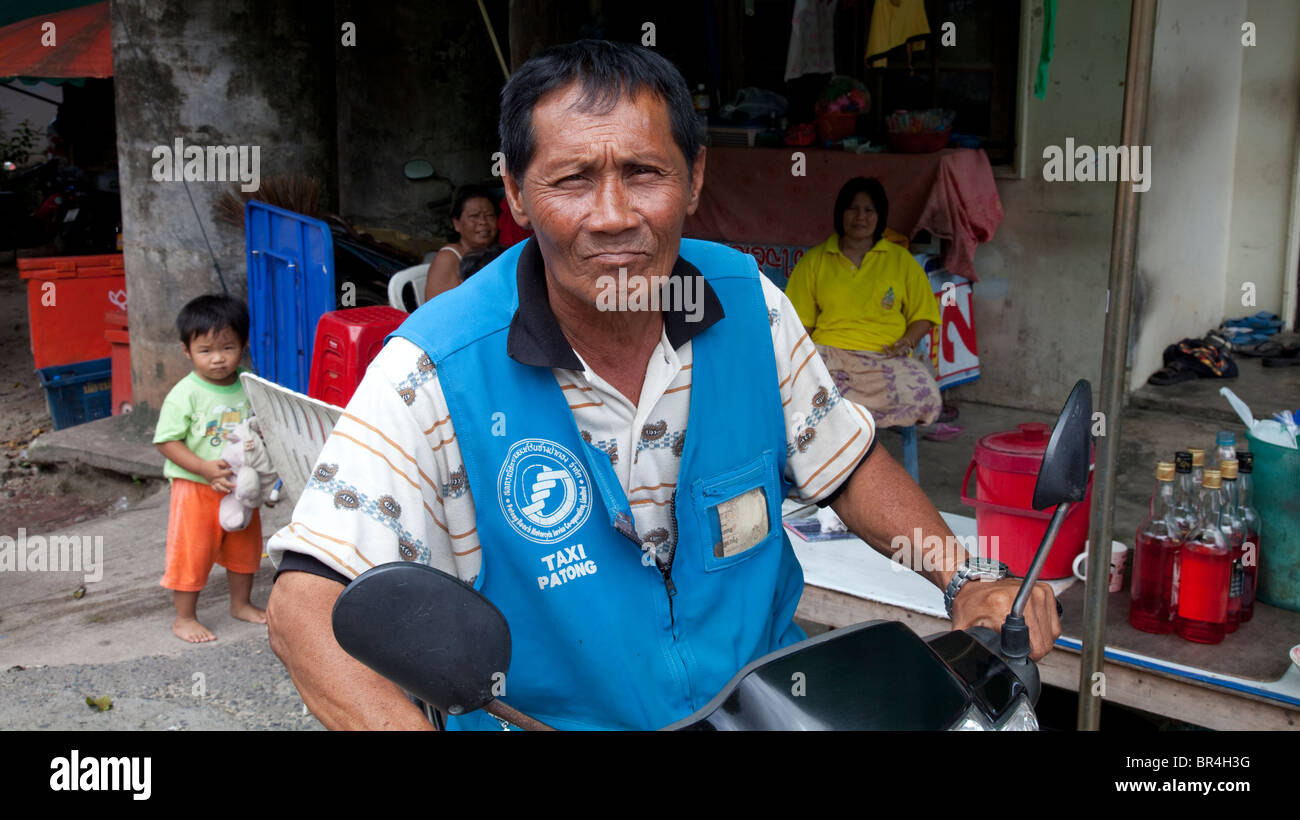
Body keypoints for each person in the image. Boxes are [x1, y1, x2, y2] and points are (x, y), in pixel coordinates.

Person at [265, 39, 1059, 730]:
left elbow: (844, 461)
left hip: (772, 713)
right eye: (573, 179)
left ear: (695, 177)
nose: (613, 216)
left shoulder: (748, 306)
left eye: (644, 173)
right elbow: (307, 600)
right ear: (513, 192)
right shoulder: (435, 368)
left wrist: (964, 574)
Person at [784, 177, 944, 430]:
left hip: (886, 358)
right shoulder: (815, 261)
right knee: (808, 397)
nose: (861, 217)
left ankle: (859, 440)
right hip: (831, 355)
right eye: (853, 209)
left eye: (869, 210)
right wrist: (806, 361)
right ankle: (842, 450)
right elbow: (799, 325)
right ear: (840, 213)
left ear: (880, 216)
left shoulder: (900, 260)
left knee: (925, 397)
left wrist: (908, 341)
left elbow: (922, 314)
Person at [153, 295, 265, 643]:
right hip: (196, 487)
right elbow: (167, 441)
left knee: (245, 548)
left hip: (241, 485)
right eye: (205, 350)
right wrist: (202, 467)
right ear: (187, 351)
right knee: (192, 552)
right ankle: (184, 617)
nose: (218, 358)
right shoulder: (184, 394)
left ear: (243, 345)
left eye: (227, 347)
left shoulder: (248, 382)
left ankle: (240, 604)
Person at [423, 184, 500, 300]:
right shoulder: (448, 259)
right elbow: (438, 311)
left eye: (490, 215)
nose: (483, 222)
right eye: (474, 216)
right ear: (456, 224)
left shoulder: (497, 253)